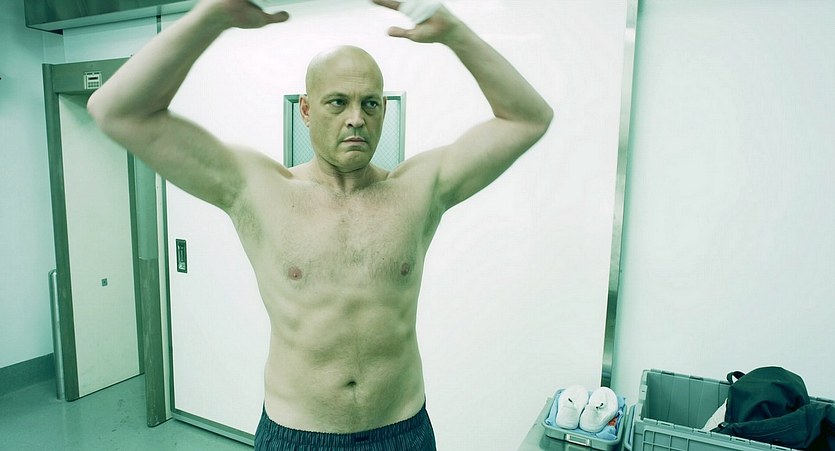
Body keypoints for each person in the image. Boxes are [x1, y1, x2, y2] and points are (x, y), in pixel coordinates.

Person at [88, 0, 553, 449]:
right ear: (306, 110)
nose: (356, 119)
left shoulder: (418, 189)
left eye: (370, 104)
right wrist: (212, 15)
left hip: (402, 431)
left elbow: (529, 118)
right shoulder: (257, 188)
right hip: (298, 436)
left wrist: (454, 33)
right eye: (337, 102)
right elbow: (117, 111)